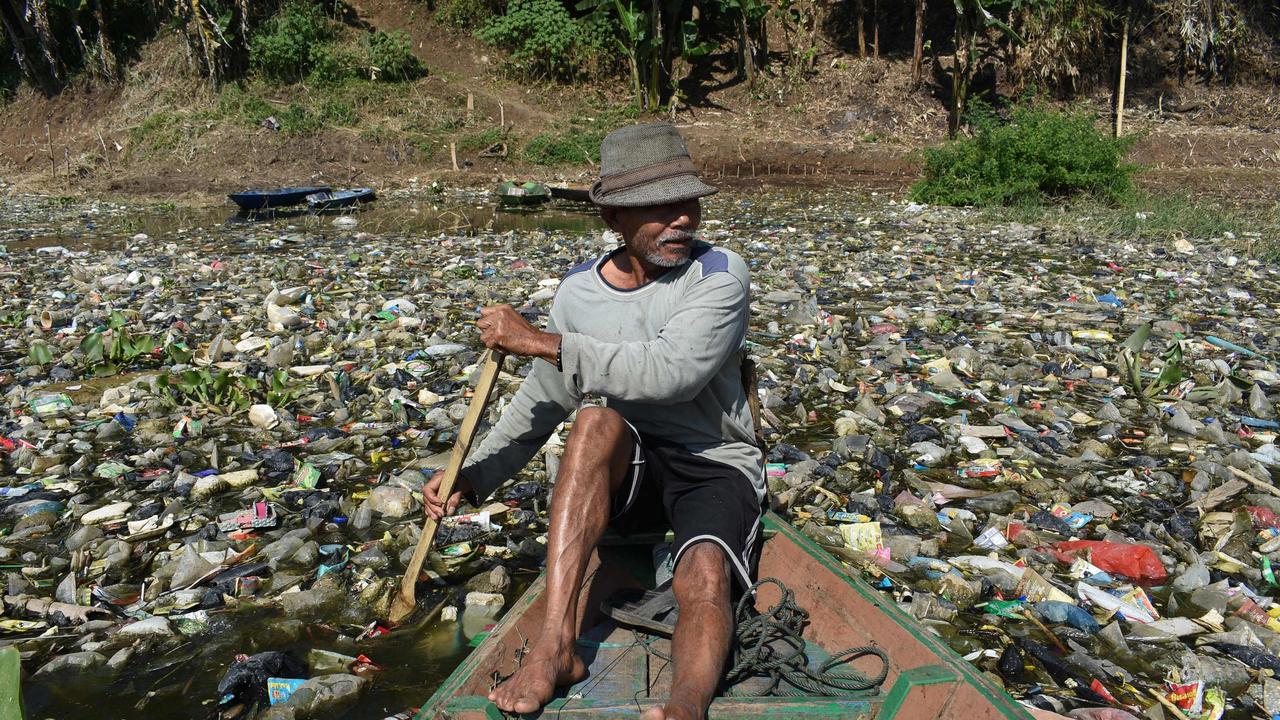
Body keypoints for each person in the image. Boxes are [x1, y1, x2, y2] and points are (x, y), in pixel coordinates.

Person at [423, 122, 764, 720]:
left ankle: (686, 706)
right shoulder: (580, 292)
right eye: (659, 208)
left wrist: (543, 342)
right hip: (623, 469)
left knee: (704, 575)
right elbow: (545, 396)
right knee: (593, 421)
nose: (681, 219)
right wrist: (477, 475)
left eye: (687, 203)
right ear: (614, 220)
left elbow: (670, 373)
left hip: (711, 463)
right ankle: (555, 649)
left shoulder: (719, 275)